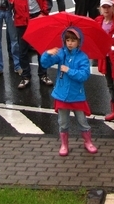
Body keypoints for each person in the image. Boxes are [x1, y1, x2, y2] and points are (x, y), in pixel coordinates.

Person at [41, 27, 97, 156]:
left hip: (77, 95)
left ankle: (88, 142)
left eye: (73, 40)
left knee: (82, 121)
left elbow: (84, 75)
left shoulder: (82, 57)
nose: (70, 43)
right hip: (61, 95)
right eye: (67, 40)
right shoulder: (61, 53)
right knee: (63, 122)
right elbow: (45, 64)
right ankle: (64, 144)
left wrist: (69, 71)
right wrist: (47, 53)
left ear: (79, 41)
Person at [4, 0, 53, 89]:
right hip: (22, 20)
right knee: (23, 49)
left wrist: (44, 13)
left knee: (41, 48)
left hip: (38, 16)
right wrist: (16, 3)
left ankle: (43, 74)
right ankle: (26, 76)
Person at [95, 0, 114, 122]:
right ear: (100, 9)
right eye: (104, 7)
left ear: (113, 8)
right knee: (110, 85)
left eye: (108, 7)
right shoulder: (97, 22)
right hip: (104, 58)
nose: (106, 10)